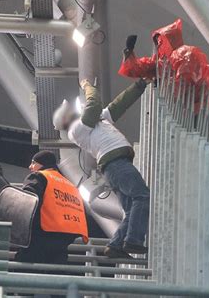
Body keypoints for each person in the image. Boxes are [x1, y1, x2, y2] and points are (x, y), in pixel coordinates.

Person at [53, 78, 152, 258]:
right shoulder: (77, 129)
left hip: (116, 167)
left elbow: (118, 105)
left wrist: (140, 85)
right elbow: (93, 105)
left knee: (131, 209)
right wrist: (87, 86)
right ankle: (133, 241)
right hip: (117, 164)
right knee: (142, 195)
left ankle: (115, 246)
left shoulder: (95, 121)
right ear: (67, 118)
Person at [16, 150, 88, 266]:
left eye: (33, 163)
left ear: (42, 164)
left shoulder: (39, 176)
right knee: (55, 278)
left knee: (23, 275)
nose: (30, 166)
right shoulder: (70, 185)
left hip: (39, 240)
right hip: (63, 243)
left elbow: (27, 200)